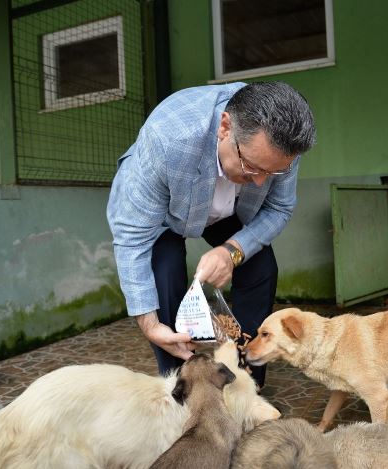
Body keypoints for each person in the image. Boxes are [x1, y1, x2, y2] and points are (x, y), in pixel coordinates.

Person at [107, 81, 316, 386]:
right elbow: (133, 236)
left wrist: (231, 252)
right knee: (164, 269)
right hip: (166, 209)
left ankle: (245, 380)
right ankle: (179, 385)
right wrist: (149, 325)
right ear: (225, 128)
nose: (261, 182)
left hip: (231, 209)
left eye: (271, 172)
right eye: (251, 167)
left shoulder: (283, 145)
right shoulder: (168, 139)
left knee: (261, 267)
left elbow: (278, 208)